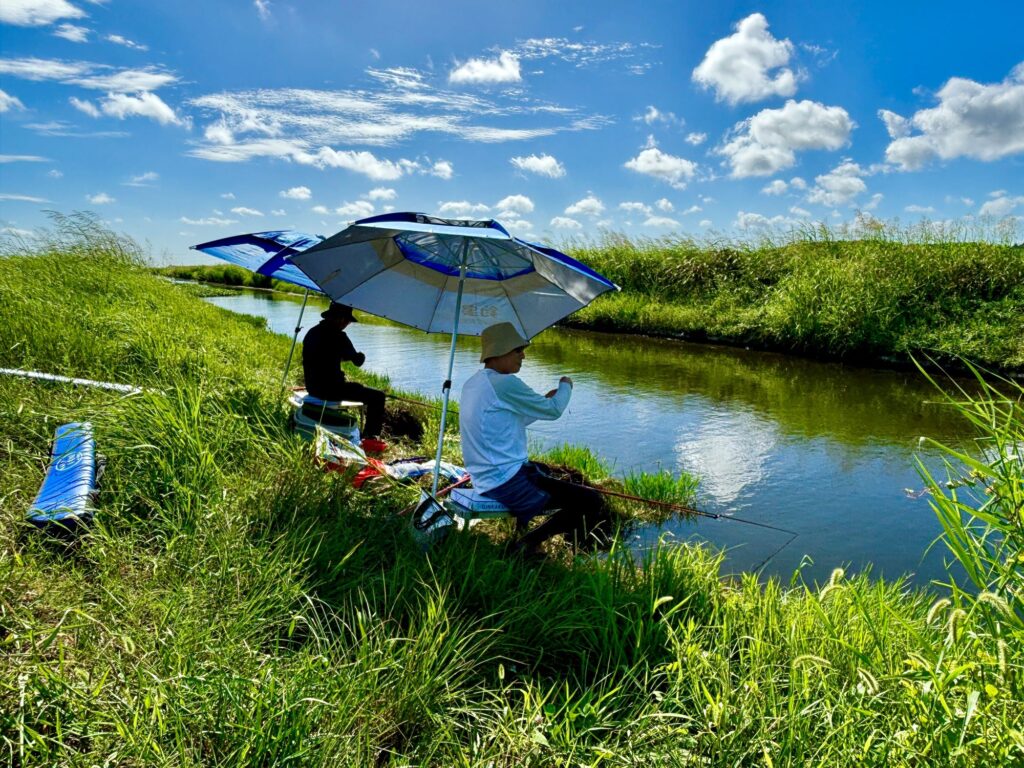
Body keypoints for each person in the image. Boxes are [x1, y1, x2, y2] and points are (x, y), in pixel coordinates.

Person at [460, 322, 605, 556]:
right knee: (591, 501)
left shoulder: (475, 383)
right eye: (518, 350)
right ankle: (527, 544)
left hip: (484, 477)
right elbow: (554, 410)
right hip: (504, 481)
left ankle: (522, 532)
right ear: (501, 350)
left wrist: (539, 403)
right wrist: (565, 385)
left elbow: (507, 422)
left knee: (543, 469)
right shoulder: (505, 383)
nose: (523, 356)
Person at [301, 302, 386, 440]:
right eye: (347, 321)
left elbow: (324, 357)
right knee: (378, 397)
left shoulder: (312, 333)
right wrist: (360, 355)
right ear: (341, 319)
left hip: (313, 388)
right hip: (331, 391)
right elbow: (357, 361)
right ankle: (371, 437)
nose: (347, 325)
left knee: (354, 387)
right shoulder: (339, 336)